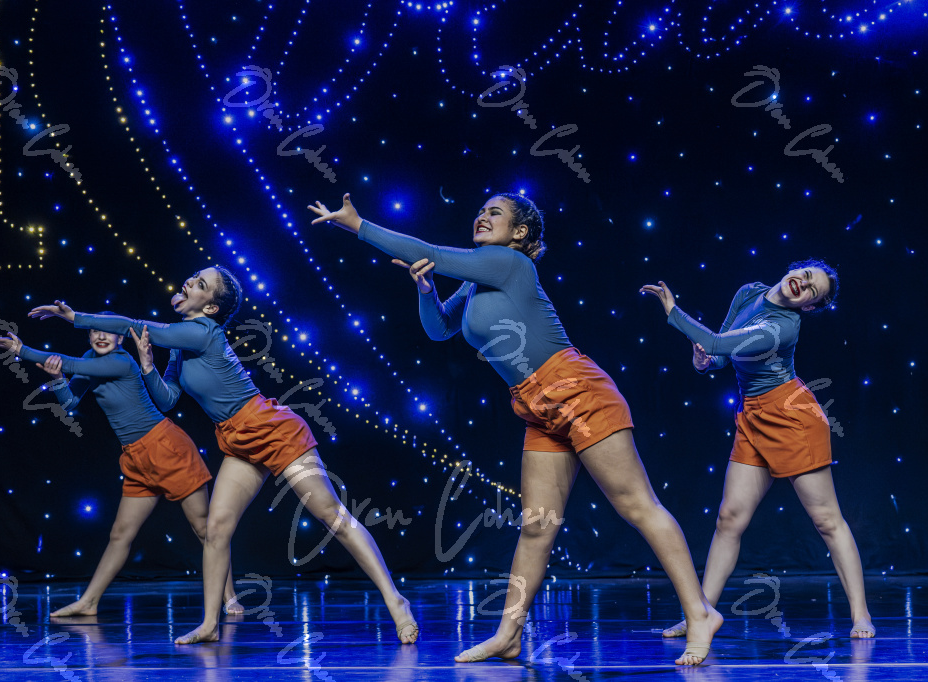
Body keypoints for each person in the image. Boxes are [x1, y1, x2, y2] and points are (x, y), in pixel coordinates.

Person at [309, 193, 722, 665]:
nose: (481, 216)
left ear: (520, 233)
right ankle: (508, 635)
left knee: (638, 506)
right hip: (535, 404)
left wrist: (358, 225)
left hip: (577, 391)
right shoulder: (476, 281)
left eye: (495, 213)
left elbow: (431, 251)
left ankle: (700, 613)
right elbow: (440, 329)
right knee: (537, 526)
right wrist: (425, 291)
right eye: (480, 210)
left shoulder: (508, 264)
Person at [28, 266, 418, 645]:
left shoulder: (202, 331)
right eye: (193, 277)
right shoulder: (180, 345)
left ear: (211, 307)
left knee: (331, 515)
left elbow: (134, 324)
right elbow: (168, 399)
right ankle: (210, 624)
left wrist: (74, 318)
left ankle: (395, 600)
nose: (189, 282)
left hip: (272, 429)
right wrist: (148, 367)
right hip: (237, 440)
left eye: (200, 284)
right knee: (216, 530)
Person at [640, 261, 874, 639]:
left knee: (827, 521)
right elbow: (719, 353)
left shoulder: (782, 327)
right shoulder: (749, 292)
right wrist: (703, 363)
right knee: (729, 519)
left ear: (809, 306)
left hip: (792, 418)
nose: (803, 285)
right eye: (806, 275)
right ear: (795, 269)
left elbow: (716, 342)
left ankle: (861, 616)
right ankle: (700, 614)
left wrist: (673, 311)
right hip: (753, 414)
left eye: (812, 291)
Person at [0, 323, 243, 617]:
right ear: (88, 336)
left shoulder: (120, 361)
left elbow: (69, 362)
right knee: (120, 534)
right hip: (135, 457)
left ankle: (229, 597)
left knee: (204, 529)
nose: (100, 336)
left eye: (106, 331)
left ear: (119, 337)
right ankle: (89, 602)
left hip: (166, 447)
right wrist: (57, 379)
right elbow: (68, 403)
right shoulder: (90, 360)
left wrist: (21, 350)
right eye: (94, 332)